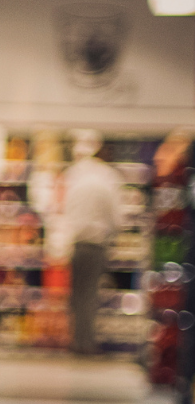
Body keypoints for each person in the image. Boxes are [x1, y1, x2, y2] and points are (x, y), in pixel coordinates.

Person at [60, 129, 124, 355]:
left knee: (77, 295)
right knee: (90, 294)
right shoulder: (108, 177)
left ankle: (78, 341)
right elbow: (116, 216)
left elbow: (64, 210)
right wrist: (113, 237)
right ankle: (86, 344)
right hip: (97, 243)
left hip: (77, 243)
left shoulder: (73, 175)